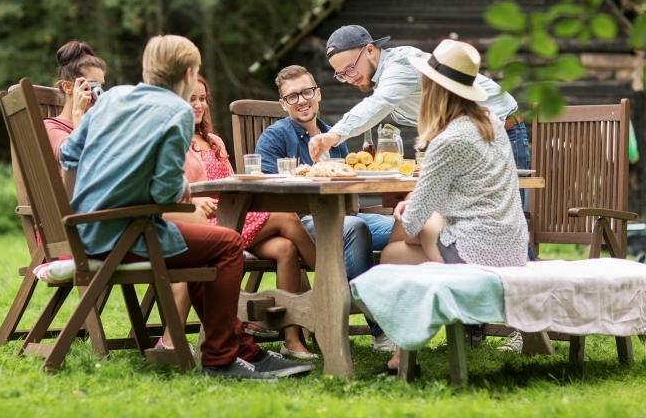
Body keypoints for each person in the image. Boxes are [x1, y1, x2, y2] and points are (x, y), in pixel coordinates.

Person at [58, 34, 313, 380]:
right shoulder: (175, 111)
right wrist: (184, 185)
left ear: (147, 69)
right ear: (189, 73)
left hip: (89, 230)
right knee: (228, 244)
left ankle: (244, 351)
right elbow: (165, 193)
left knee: (207, 247)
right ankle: (221, 358)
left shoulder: (113, 97)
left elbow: (69, 154)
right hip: (126, 233)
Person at [375, 39, 528, 374]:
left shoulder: (447, 141)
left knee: (392, 254)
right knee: (416, 223)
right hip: (514, 248)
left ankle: (401, 351)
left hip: (478, 253)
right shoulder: (491, 125)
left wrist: (407, 209)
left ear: (434, 89)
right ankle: (403, 350)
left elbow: (415, 223)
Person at [159, 74, 318, 360]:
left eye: (202, 99)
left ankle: (291, 338)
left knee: (286, 248)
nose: (199, 105)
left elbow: (231, 183)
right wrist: (193, 198)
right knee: (287, 218)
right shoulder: (173, 140)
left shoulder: (214, 141)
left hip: (232, 216)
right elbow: (166, 187)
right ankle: (330, 286)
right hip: (204, 222)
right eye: (191, 99)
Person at [254, 64, 398, 353]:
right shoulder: (275, 137)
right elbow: (269, 194)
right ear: (283, 104)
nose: (302, 100)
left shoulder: (335, 135)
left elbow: (351, 189)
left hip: (347, 216)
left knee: (404, 226)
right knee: (354, 229)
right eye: (292, 96)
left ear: (318, 94)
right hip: (305, 221)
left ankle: (419, 313)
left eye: (307, 92)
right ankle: (380, 328)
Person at [307, 25, 529, 173]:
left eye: (351, 68)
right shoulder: (383, 76)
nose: (349, 78)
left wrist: (333, 135)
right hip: (468, 140)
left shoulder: (400, 66)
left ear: (370, 51)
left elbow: (379, 104)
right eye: (341, 75)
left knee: (505, 222)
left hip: (500, 132)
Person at [44, 40, 107, 159]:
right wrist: (78, 113)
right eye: (93, 85)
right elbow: (73, 159)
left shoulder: (95, 126)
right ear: (68, 87)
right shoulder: (51, 127)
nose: (97, 93)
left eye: (101, 86)